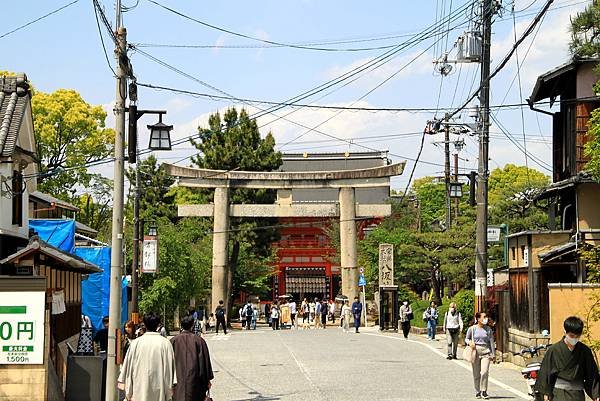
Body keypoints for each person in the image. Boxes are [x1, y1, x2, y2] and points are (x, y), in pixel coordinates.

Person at [536, 316, 600, 401]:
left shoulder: (585, 351)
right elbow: (545, 373)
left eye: (577, 336)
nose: (574, 339)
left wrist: (596, 394)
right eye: (571, 335)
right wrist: (546, 393)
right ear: (565, 332)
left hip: (577, 394)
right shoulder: (554, 350)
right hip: (559, 394)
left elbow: (592, 374)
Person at [118, 312, 177, 401]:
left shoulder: (136, 343)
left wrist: (129, 392)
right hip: (159, 391)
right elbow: (169, 370)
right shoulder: (165, 343)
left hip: (139, 390)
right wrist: (169, 393)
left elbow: (128, 368)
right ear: (158, 325)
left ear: (144, 325)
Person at [170, 315, 214, 401]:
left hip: (177, 381)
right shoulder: (199, 341)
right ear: (192, 325)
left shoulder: (173, 341)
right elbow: (204, 363)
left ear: (181, 325)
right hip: (195, 382)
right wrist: (207, 379)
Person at [465, 312, 496, 400]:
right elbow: (466, 338)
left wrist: (493, 355)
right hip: (475, 352)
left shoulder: (488, 329)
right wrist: (470, 342)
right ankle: (477, 391)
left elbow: (491, 342)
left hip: (486, 351)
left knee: (484, 372)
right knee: (476, 373)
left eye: (486, 316)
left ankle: (484, 390)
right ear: (478, 319)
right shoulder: (472, 329)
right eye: (484, 317)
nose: (486, 318)